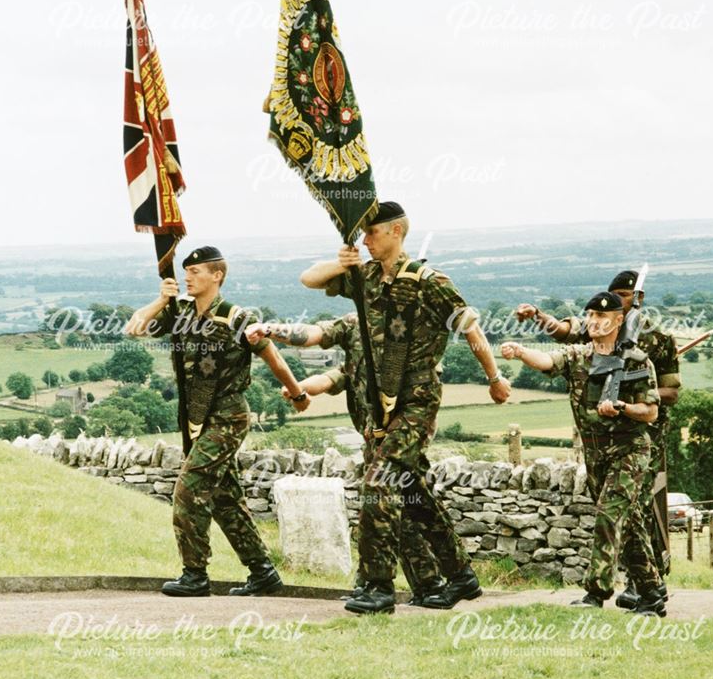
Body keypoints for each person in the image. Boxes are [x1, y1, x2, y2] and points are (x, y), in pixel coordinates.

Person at [300, 201, 511, 614]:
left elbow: (469, 327)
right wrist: (342, 262)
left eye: (372, 233)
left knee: (380, 482)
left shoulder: (429, 281)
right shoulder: (364, 277)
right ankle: (461, 576)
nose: (365, 241)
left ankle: (377, 587)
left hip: (415, 400)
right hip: (375, 407)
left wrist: (494, 378)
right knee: (412, 490)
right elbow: (309, 279)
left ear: (396, 231)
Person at [126, 245, 310, 597]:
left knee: (189, 490)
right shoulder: (178, 311)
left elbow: (273, 358)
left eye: (196, 272)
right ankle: (263, 573)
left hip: (228, 415)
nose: (188, 278)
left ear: (217, 275)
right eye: (186, 272)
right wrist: (161, 301)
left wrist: (297, 393)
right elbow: (135, 328)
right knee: (225, 498)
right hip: (195, 417)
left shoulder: (236, 316)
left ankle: (194, 575)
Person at [245, 314, 446, 605]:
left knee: (404, 514)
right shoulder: (355, 355)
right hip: (375, 442)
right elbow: (329, 380)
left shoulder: (403, 344)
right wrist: (298, 388)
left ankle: (430, 584)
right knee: (380, 515)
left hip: (401, 440)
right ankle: (379, 584)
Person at [516, 270, 679, 608]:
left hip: (630, 450)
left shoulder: (638, 361)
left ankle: (596, 591)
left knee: (609, 515)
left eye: (601, 316)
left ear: (618, 321)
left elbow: (651, 412)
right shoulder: (579, 356)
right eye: (590, 315)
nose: (593, 321)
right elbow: (548, 359)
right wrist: (520, 352)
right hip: (596, 453)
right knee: (630, 523)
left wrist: (622, 408)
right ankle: (651, 592)